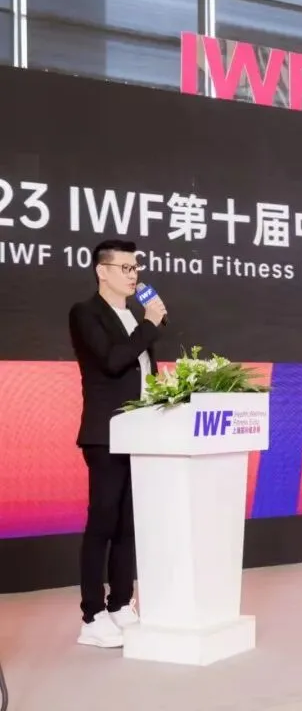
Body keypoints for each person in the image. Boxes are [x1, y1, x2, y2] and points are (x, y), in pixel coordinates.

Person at [68, 239, 167, 648]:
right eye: (125, 268)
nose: (133, 275)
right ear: (102, 271)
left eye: (135, 268)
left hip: (139, 433)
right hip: (105, 433)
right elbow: (112, 361)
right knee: (103, 521)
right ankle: (92, 615)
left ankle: (121, 603)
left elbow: (141, 371)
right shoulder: (86, 313)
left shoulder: (132, 318)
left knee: (128, 523)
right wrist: (150, 324)